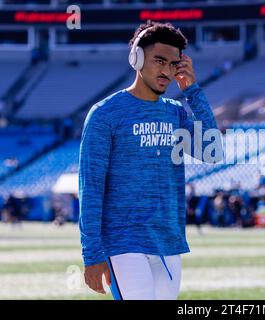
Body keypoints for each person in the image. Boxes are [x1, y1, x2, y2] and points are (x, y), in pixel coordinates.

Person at [79, 21, 220, 300]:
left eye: (173, 64)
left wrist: (192, 90)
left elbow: (211, 151)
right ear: (137, 58)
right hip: (123, 242)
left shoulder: (176, 113)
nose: (167, 71)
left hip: (168, 240)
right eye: (159, 61)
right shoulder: (105, 114)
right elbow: (91, 187)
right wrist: (92, 253)